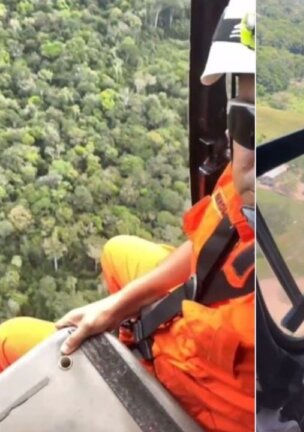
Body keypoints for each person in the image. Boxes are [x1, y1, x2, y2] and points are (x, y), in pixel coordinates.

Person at [0, 1, 256, 431]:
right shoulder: (252, 181)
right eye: (240, 113)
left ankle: (129, 353)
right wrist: (116, 306)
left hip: (196, 397)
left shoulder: (286, 296)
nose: (237, 140)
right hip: (198, 318)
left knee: (10, 338)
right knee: (117, 252)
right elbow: (207, 245)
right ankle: (127, 332)